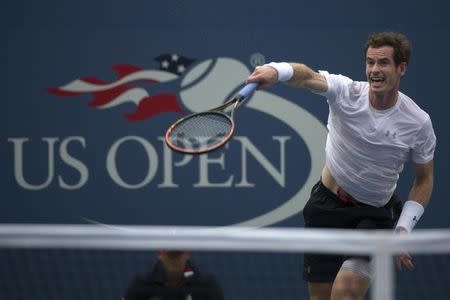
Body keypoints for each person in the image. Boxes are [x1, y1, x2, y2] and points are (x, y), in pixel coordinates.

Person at [246, 32, 436, 300]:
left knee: (345, 294)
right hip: (325, 207)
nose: (375, 70)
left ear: (401, 68)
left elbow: (424, 178)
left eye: (383, 63)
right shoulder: (347, 92)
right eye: (370, 63)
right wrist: (275, 70)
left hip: (373, 216)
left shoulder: (417, 122)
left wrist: (403, 228)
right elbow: (306, 76)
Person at [123, 250, 224, 300]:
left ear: (187, 254)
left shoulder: (206, 284)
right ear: (159, 254)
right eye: (170, 256)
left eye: (178, 256)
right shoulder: (142, 284)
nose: (174, 261)